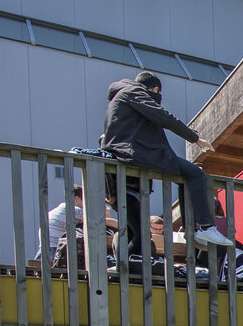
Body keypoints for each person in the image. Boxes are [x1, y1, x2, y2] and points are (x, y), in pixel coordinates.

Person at [99, 71, 233, 248]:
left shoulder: (122, 96)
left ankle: (192, 229)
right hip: (135, 153)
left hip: (128, 155)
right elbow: (163, 117)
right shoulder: (134, 92)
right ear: (155, 89)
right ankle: (204, 227)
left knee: (137, 235)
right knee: (195, 173)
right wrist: (195, 139)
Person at [37, 184, 117, 271]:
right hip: (54, 250)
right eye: (86, 200)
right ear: (76, 199)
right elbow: (102, 221)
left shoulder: (63, 208)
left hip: (45, 250)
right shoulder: (74, 210)